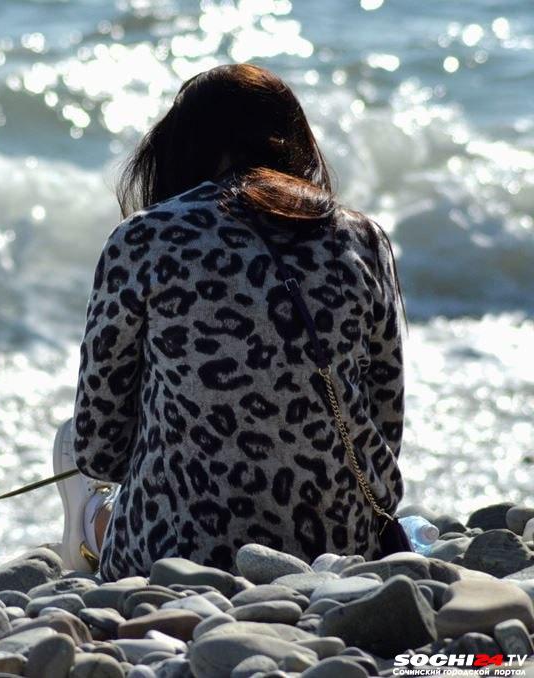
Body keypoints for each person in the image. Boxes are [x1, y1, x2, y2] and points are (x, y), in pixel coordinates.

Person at [52, 63, 406, 580]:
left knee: (86, 473)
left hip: (175, 551)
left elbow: (99, 447)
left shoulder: (143, 238)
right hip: (338, 545)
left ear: (180, 145)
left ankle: (87, 529)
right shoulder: (363, 235)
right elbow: (385, 419)